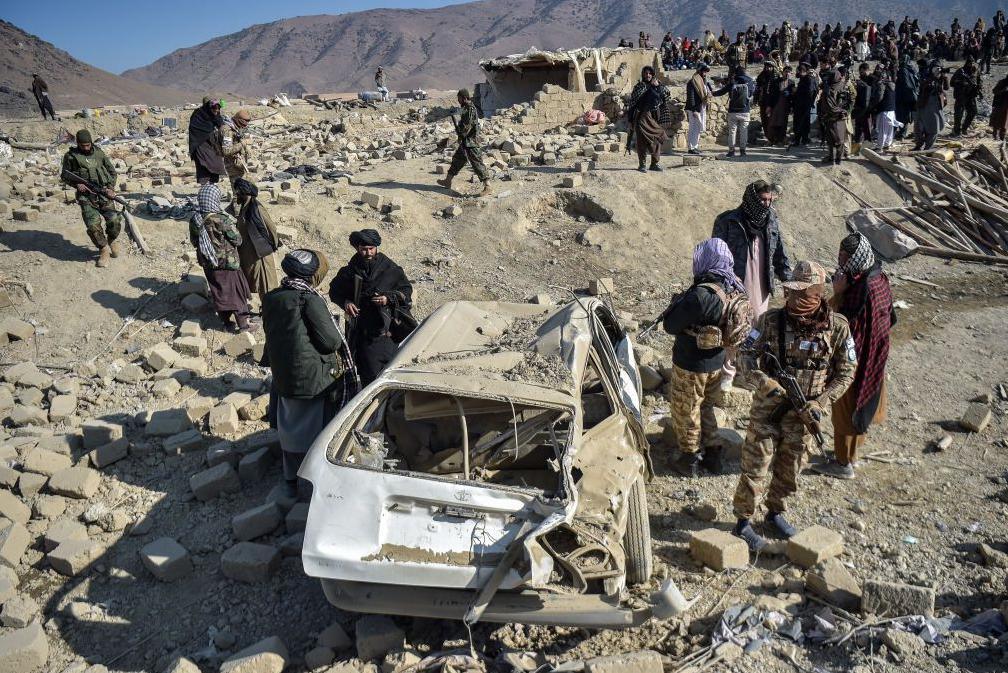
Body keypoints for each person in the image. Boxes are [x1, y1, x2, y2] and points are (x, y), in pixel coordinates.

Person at [731, 260, 857, 550]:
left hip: (804, 414)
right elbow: (746, 356)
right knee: (756, 465)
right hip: (768, 409)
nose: (794, 300)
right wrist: (766, 383)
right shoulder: (770, 321)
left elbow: (846, 371)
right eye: (791, 292)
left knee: (791, 468)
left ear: (818, 294)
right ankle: (742, 522)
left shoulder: (837, 328)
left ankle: (775, 513)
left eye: (803, 294)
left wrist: (822, 403)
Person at [263, 249, 353, 498]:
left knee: (290, 430)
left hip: (284, 376)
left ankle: (290, 481)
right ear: (314, 275)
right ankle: (318, 483)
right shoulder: (309, 300)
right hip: (314, 380)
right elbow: (331, 341)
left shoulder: (272, 297)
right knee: (318, 433)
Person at [663, 239, 750, 476]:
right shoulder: (735, 286)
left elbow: (670, 326)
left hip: (691, 363)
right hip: (717, 361)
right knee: (707, 407)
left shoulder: (702, 294)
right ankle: (713, 455)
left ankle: (688, 458)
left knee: (687, 409)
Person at [813, 234, 895, 479]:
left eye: (844, 258)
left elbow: (840, 322)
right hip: (875, 353)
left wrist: (837, 293)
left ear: (856, 258)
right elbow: (891, 317)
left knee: (846, 408)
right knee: (861, 403)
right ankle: (852, 455)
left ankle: (842, 464)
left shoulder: (862, 288)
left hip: (856, 358)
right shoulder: (878, 276)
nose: (840, 262)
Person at [713, 180, 792, 390]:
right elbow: (717, 256)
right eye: (763, 200)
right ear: (752, 200)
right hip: (735, 285)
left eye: (770, 200)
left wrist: (789, 280)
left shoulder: (771, 220)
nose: (767, 205)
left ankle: (745, 371)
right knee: (734, 328)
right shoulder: (728, 221)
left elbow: (780, 253)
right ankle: (727, 373)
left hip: (761, 284)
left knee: (756, 330)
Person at [329, 230, 414, 386]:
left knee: (391, 371)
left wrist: (388, 298)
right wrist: (346, 302)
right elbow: (334, 291)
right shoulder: (349, 271)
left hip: (388, 332)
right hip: (362, 332)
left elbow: (406, 290)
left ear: (376, 247)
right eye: (364, 249)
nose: (368, 253)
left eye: (371, 249)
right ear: (357, 248)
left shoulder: (390, 269)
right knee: (369, 372)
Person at [189, 183, 251, 332]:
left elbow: (194, 241)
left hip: (208, 263)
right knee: (235, 292)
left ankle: (227, 323)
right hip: (227, 263)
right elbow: (237, 239)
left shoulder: (195, 219)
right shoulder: (221, 219)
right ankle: (243, 325)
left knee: (218, 291)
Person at [60, 130, 123, 268]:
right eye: (83, 146)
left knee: (115, 220)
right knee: (93, 226)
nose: (86, 148)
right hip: (86, 198)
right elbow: (64, 176)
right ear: (78, 144)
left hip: (103, 194)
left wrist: (111, 188)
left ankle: (111, 240)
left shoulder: (99, 153)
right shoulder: (71, 157)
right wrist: (77, 184)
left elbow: (112, 171)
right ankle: (103, 249)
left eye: (88, 145)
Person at [437, 89, 492, 195]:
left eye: (459, 99)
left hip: (471, 142)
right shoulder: (465, 108)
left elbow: (468, 126)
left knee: (477, 163)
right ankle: (448, 181)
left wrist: (460, 134)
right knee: (457, 160)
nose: (458, 101)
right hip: (465, 141)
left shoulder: (470, 109)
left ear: (465, 98)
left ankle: (488, 186)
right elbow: (462, 119)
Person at [233, 178, 280, 298]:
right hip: (250, 255)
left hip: (260, 255)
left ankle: (270, 312)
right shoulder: (245, 207)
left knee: (267, 285)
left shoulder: (256, 208)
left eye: (237, 192)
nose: (236, 195)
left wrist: (272, 245)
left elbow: (271, 228)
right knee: (257, 284)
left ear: (244, 193)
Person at [625, 66, 670, 171]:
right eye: (646, 73)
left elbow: (666, 96)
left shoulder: (658, 85)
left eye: (650, 73)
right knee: (641, 141)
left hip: (654, 117)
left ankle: (654, 164)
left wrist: (657, 87)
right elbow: (632, 105)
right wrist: (630, 120)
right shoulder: (639, 87)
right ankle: (642, 165)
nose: (648, 75)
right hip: (641, 117)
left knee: (656, 139)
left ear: (653, 74)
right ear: (643, 74)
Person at [713, 65, 756, 157]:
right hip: (745, 111)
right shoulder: (750, 82)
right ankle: (743, 151)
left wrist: (712, 93)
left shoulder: (733, 82)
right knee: (744, 131)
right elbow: (752, 93)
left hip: (733, 111)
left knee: (732, 131)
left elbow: (722, 91)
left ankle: (731, 151)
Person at [188, 96, 227, 184]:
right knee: (203, 165)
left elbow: (220, 124)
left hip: (212, 144)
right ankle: (204, 187)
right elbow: (193, 129)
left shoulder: (215, 114)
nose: (216, 111)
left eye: (218, 109)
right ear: (208, 106)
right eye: (214, 109)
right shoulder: (198, 114)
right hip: (199, 144)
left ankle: (213, 185)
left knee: (217, 163)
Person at [822, 67, 854, 165]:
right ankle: (834, 159)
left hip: (836, 118)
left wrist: (846, 110)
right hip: (837, 118)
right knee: (835, 140)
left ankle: (836, 159)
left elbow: (850, 100)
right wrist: (845, 111)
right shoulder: (833, 89)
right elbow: (831, 107)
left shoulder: (833, 89)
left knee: (837, 140)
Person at [914, 62, 949, 150]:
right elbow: (923, 85)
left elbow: (946, 87)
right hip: (924, 104)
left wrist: (944, 77)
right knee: (919, 127)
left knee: (934, 127)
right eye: (936, 68)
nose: (937, 70)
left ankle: (928, 147)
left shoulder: (940, 78)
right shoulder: (926, 74)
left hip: (935, 105)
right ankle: (919, 145)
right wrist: (933, 77)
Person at [685, 63, 712, 155]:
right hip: (695, 109)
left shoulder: (704, 81)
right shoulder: (692, 82)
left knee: (697, 128)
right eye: (704, 71)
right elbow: (691, 97)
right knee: (693, 128)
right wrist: (694, 110)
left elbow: (708, 92)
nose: (705, 73)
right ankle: (691, 148)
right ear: (700, 71)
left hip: (701, 108)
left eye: (706, 72)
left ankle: (695, 146)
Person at [951, 58, 982, 136]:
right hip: (961, 95)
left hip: (971, 95)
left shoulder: (975, 71)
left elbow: (979, 80)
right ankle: (956, 131)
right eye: (969, 63)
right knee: (959, 114)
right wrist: (962, 83)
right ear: (966, 63)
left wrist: (979, 86)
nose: (971, 65)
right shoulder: (960, 72)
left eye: (972, 63)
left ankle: (964, 128)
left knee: (973, 112)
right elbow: (952, 82)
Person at [223, 109, 252, 185]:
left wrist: (245, 148)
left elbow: (237, 140)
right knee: (238, 192)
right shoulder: (228, 131)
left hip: (238, 163)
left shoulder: (235, 128)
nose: (243, 126)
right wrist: (243, 144)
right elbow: (226, 151)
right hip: (232, 165)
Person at [872, 67, 899, 151]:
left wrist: (873, 106)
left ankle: (879, 147)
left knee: (882, 130)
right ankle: (887, 144)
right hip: (892, 110)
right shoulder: (892, 84)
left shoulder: (882, 85)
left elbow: (879, 98)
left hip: (884, 110)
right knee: (889, 130)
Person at [791, 62, 817, 146]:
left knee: (803, 123)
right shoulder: (803, 79)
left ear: (801, 71)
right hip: (799, 105)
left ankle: (804, 139)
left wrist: (797, 91)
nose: (796, 73)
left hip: (804, 106)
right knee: (798, 122)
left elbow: (811, 92)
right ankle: (798, 139)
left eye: (798, 71)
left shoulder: (809, 79)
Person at [894, 55, 919, 140]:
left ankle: (901, 134)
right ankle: (902, 134)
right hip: (910, 96)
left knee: (901, 115)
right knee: (905, 116)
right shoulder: (912, 69)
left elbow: (905, 83)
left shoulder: (903, 70)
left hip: (903, 96)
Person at [851, 63, 874, 155]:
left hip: (867, 109)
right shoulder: (861, 80)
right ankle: (856, 149)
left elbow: (873, 95)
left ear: (867, 70)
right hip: (859, 108)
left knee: (866, 128)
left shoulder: (872, 79)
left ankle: (867, 149)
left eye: (862, 71)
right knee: (858, 128)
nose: (861, 74)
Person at [991, 73, 1008, 140]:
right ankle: (995, 136)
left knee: (1004, 122)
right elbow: (994, 91)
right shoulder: (1002, 82)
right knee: (996, 121)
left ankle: (1002, 138)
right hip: (1000, 104)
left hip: (1006, 106)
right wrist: (1003, 90)